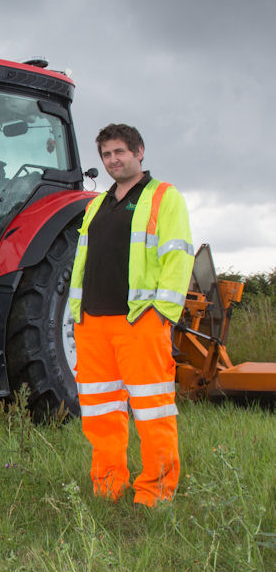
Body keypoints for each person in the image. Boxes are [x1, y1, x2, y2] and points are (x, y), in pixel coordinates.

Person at [68, 123, 194, 507]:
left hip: (139, 320)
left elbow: (178, 254)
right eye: (106, 154)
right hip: (92, 323)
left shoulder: (163, 197)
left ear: (139, 151)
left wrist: (162, 312)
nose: (113, 160)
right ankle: (107, 486)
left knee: (152, 411)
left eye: (120, 152)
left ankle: (155, 493)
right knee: (101, 412)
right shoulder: (96, 205)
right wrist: (78, 316)